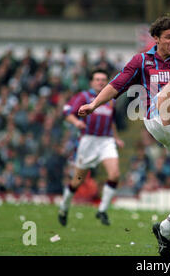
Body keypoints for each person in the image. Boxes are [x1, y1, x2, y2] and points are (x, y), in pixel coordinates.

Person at [78, 15, 170, 256]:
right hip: (157, 117)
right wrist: (94, 104)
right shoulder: (141, 61)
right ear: (156, 38)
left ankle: (165, 229)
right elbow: (116, 85)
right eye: (168, 37)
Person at [58, 69, 125, 226]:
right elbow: (67, 112)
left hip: (106, 141)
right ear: (91, 82)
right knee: (78, 181)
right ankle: (64, 206)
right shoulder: (84, 96)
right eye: (97, 79)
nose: (100, 82)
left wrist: (116, 138)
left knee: (114, 174)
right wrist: (76, 122)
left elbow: (111, 120)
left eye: (103, 79)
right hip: (88, 141)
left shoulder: (110, 99)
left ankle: (102, 210)